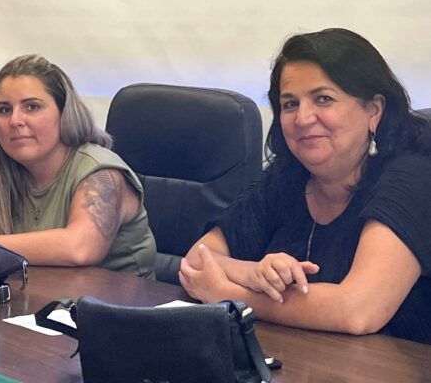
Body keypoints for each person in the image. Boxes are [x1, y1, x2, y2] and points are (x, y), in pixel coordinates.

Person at [180, 28, 431, 344]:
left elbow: (358, 310)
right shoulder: (286, 178)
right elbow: (196, 261)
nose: (302, 118)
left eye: (323, 99)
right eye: (290, 104)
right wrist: (252, 273)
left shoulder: (414, 176)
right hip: (299, 359)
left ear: (373, 110)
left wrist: (229, 295)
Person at [0, 54, 156, 278]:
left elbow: (79, 248)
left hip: (119, 299)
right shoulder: (1, 167)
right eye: (4, 109)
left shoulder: (102, 173)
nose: (15, 120)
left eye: (32, 107)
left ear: (64, 114)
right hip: (37, 295)